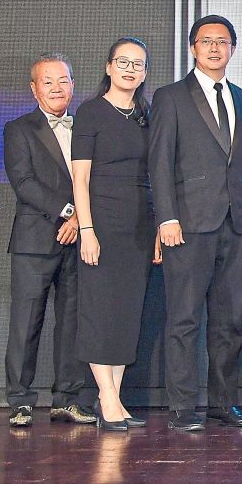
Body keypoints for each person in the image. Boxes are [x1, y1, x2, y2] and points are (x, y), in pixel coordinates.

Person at [149, 14, 242, 431]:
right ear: (193, 48)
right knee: (184, 318)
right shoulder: (171, 96)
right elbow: (159, 163)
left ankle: (222, 403)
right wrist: (167, 217)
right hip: (188, 224)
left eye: (223, 41)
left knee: (230, 322)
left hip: (236, 225)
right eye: (206, 41)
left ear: (233, 48)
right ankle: (181, 405)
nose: (215, 48)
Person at [2, 53, 95, 428]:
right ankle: (20, 401)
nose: (57, 88)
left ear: (73, 85)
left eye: (64, 80)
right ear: (34, 88)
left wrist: (79, 221)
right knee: (27, 321)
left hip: (79, 240)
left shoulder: (87, 126)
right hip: (34, 239)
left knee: (72, 321)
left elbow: (95, 182)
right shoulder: (18, 128)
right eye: (48, 81)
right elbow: (23, 183)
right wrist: (70, 212)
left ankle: (67, 399)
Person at [73, 37, 158, 432]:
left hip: (138, 224)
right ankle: (106, 398)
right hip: (101, 221)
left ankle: (117, 399)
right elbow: (81, 176)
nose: (130, 70)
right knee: (100, 310)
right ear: (108, 67)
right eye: (123, 62)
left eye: (138, 64)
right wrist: (87, 229)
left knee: (127, 311)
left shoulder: (147, 115)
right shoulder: (90, 112)